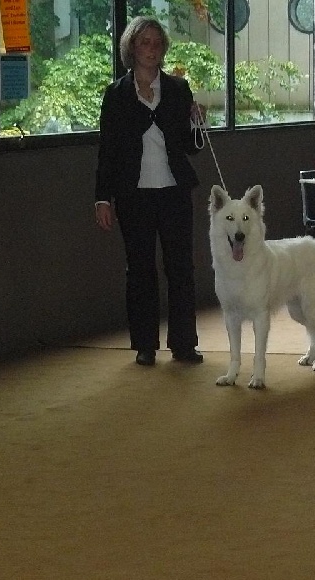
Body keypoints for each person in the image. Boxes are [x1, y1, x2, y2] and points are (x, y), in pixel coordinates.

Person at [94, 15, 206, 366]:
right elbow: (107, 151)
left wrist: (198, 123)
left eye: (157, 43)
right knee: (140, 270)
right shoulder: (116, 95)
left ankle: (184, 344)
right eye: (145, 42)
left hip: (174, 192)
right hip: (134, 195)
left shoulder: (178, 89)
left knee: (181, 269)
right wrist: (102, 198)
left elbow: (191, 147)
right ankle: (145, 345)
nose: (152, 49)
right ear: (131, 47)